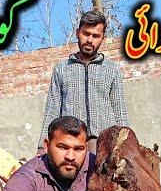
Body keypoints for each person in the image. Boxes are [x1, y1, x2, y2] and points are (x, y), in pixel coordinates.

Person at [37, 10, 129, 155]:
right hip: (70, 144)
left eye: (96, 36)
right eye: (86, 33)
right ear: (77, 33)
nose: (90, 40)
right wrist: (42, 149)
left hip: (104, 144)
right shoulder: (61, 69)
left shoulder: (112, 69)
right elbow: (52, 111)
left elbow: (120, 112)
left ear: (102, 38)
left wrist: (126, 145)